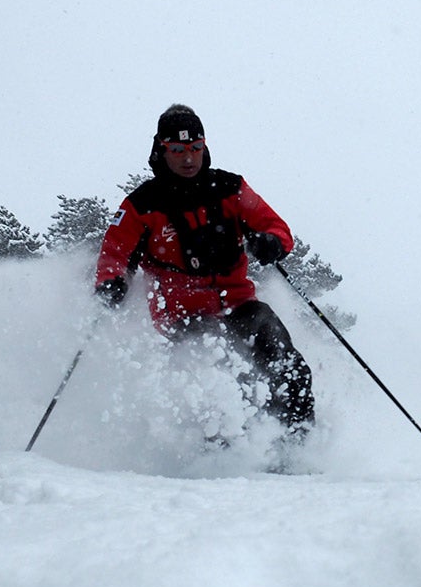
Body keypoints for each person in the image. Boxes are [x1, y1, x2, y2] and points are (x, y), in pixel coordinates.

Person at [94, 103, 315, 464]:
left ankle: (299, 454)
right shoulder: (141, 205)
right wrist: (111, 283)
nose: (188, 159)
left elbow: (276, 226)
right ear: (161, 150)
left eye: (195, 148)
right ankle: (217, 462)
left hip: (240, 304)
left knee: (287, 364)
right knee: (216, 380)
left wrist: (271, 242)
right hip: (182, 316)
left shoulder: (229, 188)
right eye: (178, 151)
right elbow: (114, 255)